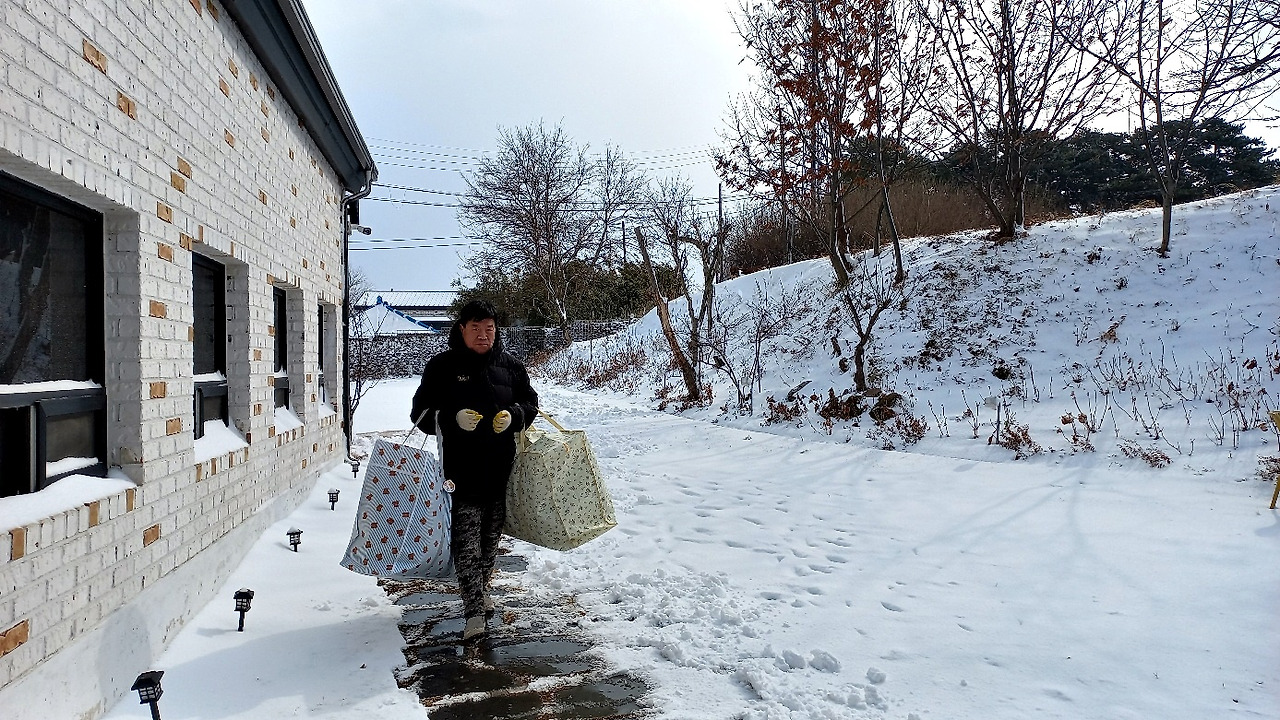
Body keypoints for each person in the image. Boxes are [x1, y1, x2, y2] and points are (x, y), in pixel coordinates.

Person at [409, 300, 538, 641]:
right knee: (465, 541)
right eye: (476, 328)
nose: (484, 335)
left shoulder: (511, 368)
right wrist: (450, 417)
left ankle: (480, 590)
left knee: (489, 540)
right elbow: (419, 414)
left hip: (499, 469)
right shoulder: (442, 367)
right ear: (462, 329)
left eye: (490, 329)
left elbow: (530, 404)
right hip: (459, 472)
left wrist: (514, 416)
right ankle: (474, 612)